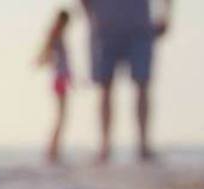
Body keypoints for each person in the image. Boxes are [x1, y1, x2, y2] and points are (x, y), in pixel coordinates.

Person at [81, 0, 173, 162]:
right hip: (104, 26)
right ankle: (105, 145)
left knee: (142, 84)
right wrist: (90, 17)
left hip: (139, 27)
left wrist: (166, 15)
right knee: (105, 87)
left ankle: (143, 145)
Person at [38, 10, 73, 164]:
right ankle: (52, 150)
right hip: (59, 78)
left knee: (61, 115)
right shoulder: (55, 34)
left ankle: (54, 149)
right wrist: (45, 59)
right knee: (61, 115)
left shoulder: (57, 34)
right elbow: (46, 53)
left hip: (61, 78)